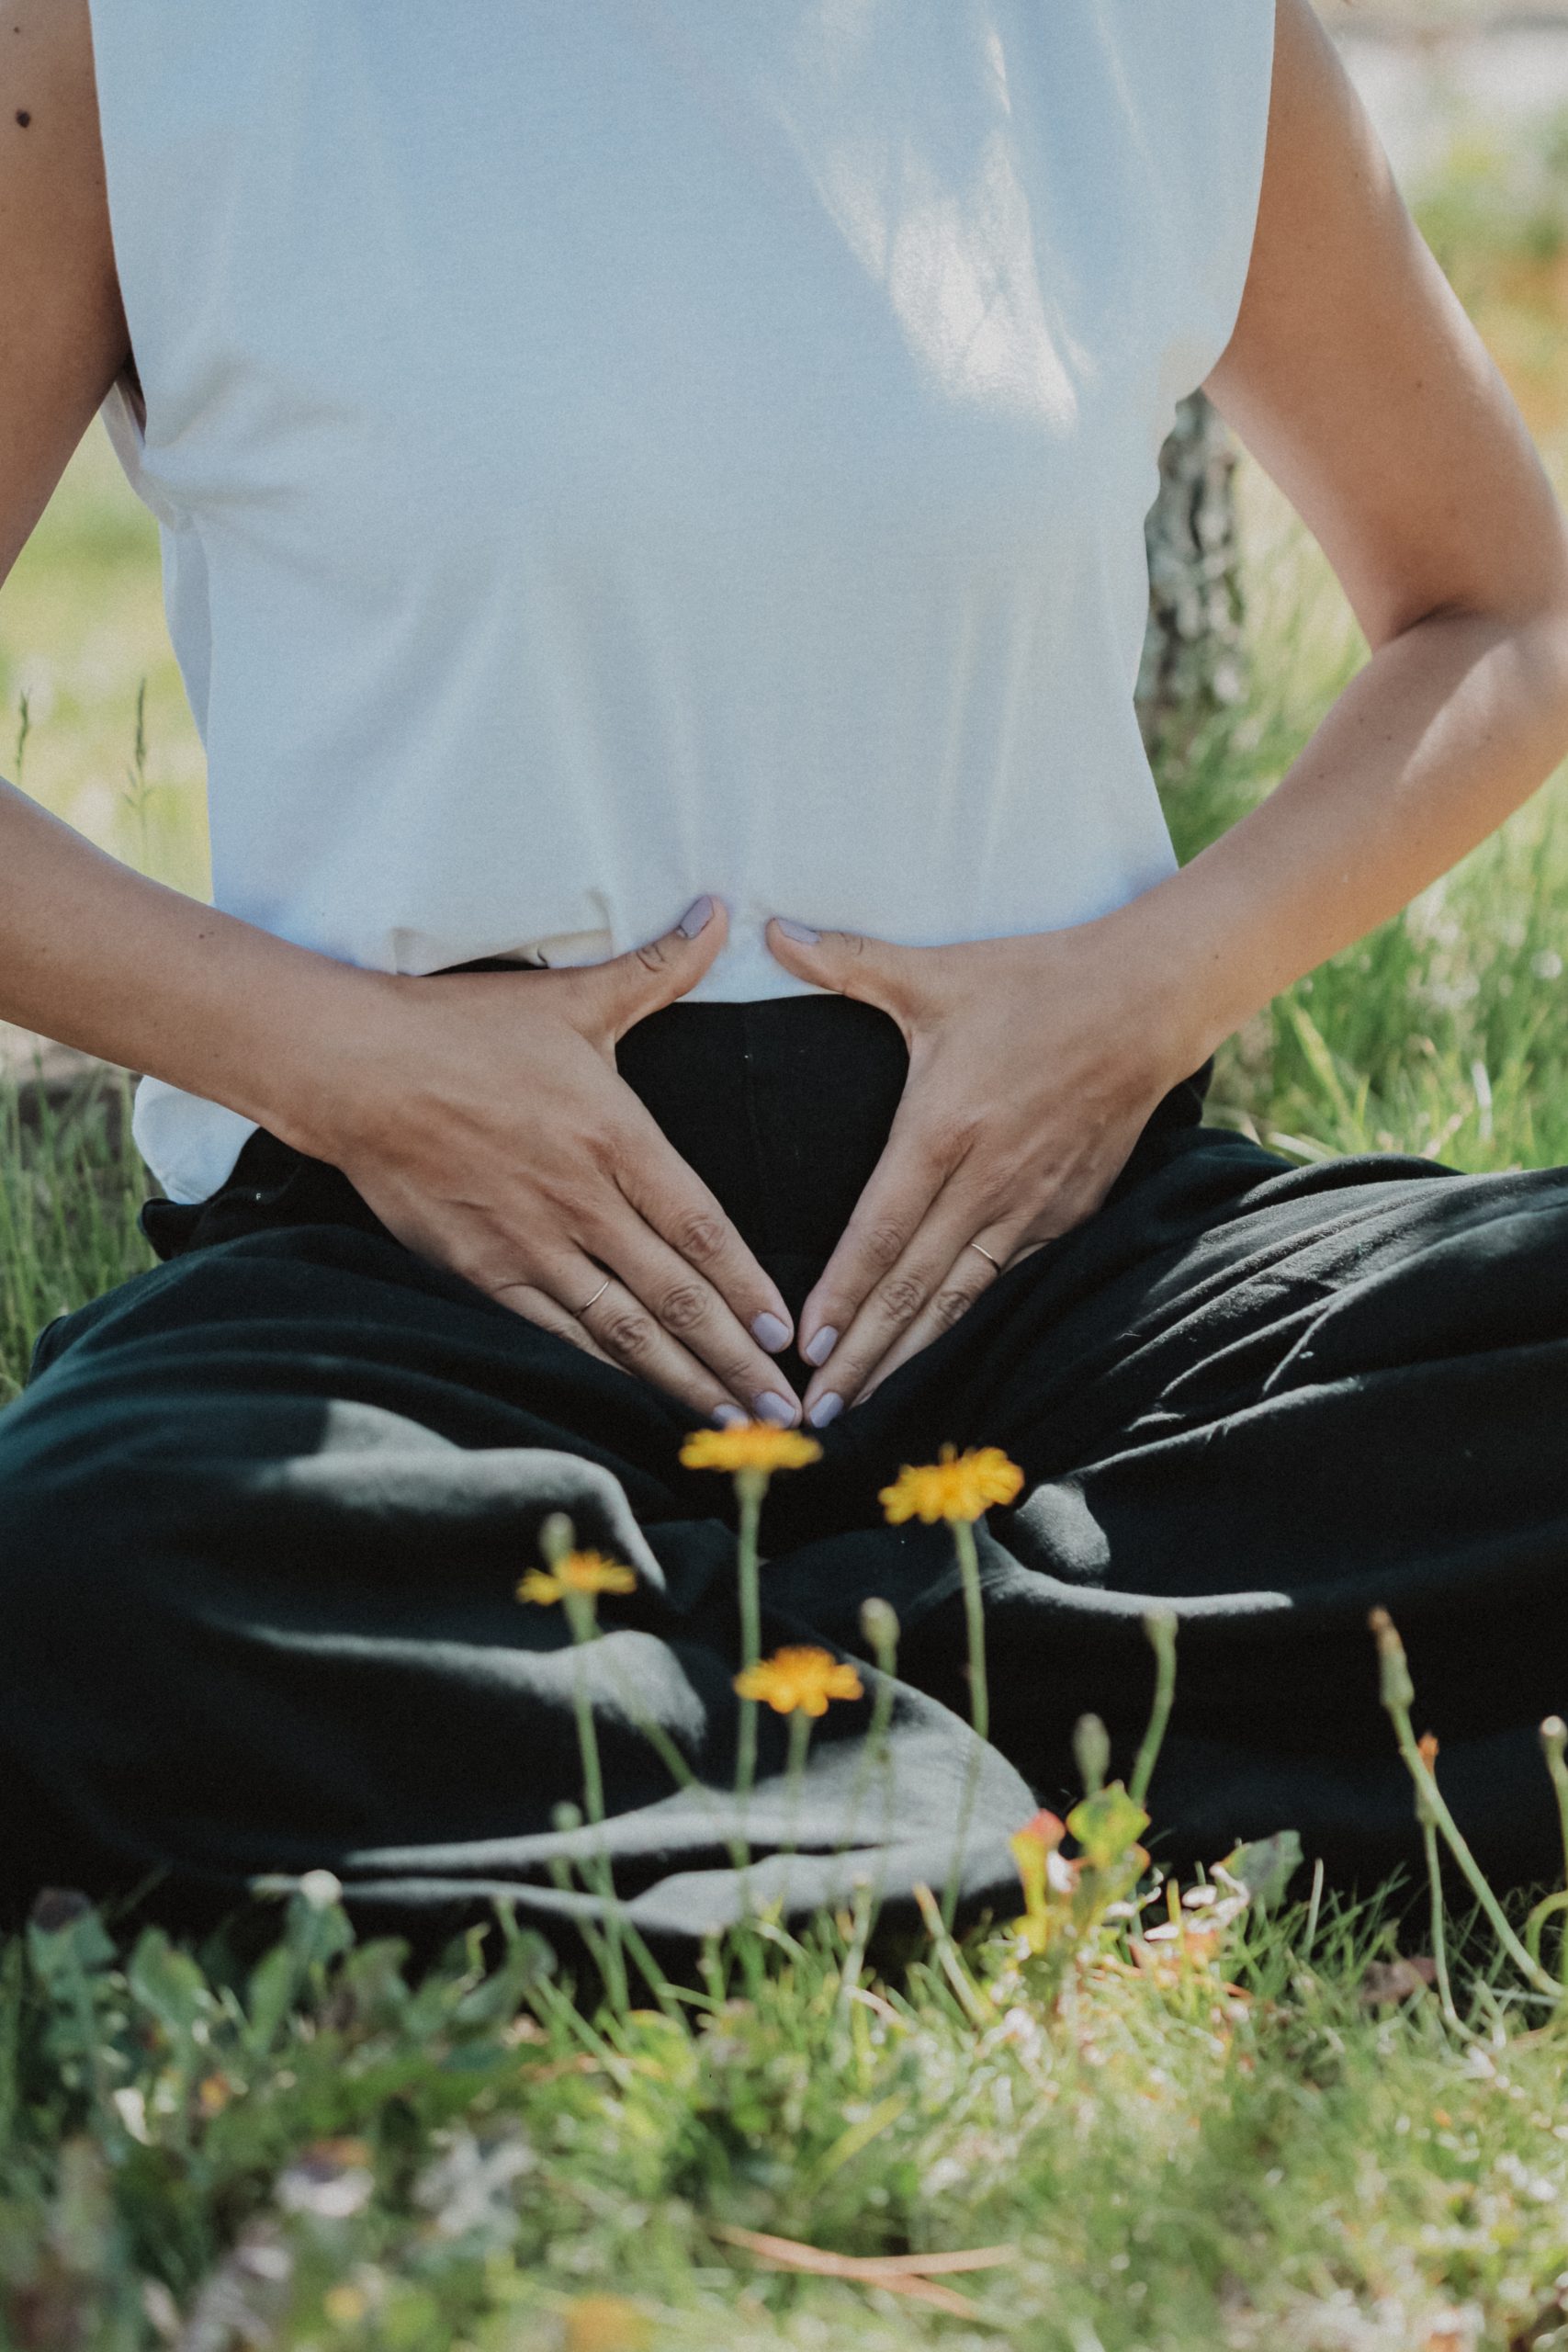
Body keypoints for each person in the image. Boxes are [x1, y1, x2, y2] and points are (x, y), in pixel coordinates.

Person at [3, 0, 1568, 1954]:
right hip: (427, 1290)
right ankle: (1105, 1736)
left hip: (1057, 1265)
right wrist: (339, 1063)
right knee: (69, 1575)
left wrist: (1148, 990)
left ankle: (717, 1721)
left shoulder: (1154, 30)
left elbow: (1501, 600)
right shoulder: (137, 37)